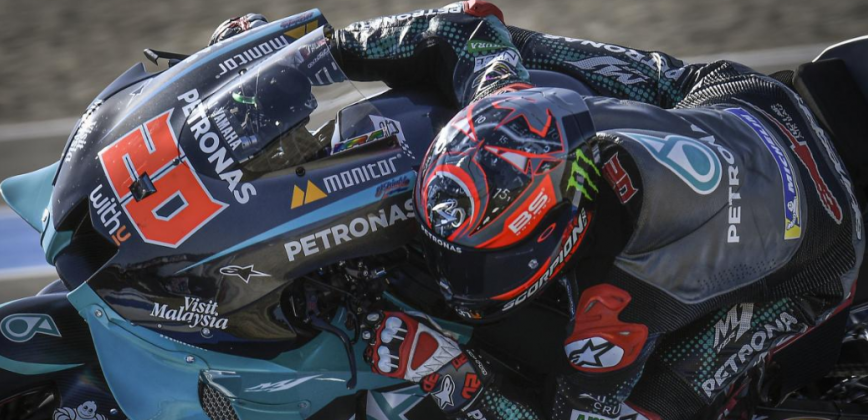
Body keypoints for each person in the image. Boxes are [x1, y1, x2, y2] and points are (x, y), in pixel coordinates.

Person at [214, 3, 864, 419]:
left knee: (647, 406)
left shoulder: (621, 302)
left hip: (822, 244)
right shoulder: (507, 98)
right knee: (526, 51)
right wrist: (300, 60)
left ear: (563, 231)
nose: (459, 280)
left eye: (488, 262)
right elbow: (465, 24)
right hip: (746, 103)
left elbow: (580, 414)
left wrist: (452, 374)